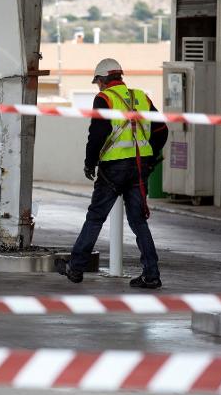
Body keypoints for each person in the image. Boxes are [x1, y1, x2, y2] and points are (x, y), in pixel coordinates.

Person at [62, 58, 168, 288]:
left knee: (96, 217)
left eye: (97, 82)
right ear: (119, 76)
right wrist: (150, 157)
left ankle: (76, 267)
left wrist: (89, 163)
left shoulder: (104, 99)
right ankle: (151, 274)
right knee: (139, 222)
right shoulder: (141, 97)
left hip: (113, 168)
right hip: (139, 166)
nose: (97, 86)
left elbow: (97, 134)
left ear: (101, 80)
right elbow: (161, 130)